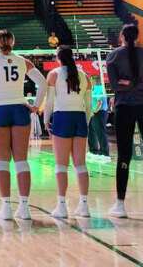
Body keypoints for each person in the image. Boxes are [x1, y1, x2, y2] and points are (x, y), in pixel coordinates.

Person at [0, 29, 44, 222]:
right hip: (20, 110)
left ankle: (5, 208)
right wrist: (36, 106)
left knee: (2, 161)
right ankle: (24, 208)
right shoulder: (23, 61)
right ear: (13, 42)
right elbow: (43, 83)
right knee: (21, 161)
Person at [105, 23, 143, 219]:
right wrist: (142, 83)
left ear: (122, 36)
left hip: (124, 108)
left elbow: (116, 85)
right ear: (137, 36)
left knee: (124, 155)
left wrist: (128, 84)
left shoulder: (113, 56)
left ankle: (121, 205)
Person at [42, 46, 92, 219]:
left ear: (58, 58)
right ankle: (84, 206)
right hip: (79, 118)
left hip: (62, 117)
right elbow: (89, 106)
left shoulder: (54, 74)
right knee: (81, 165)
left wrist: (45, 120)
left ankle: (62, 206)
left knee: (60, 165)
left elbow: (49, 102)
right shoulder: (85, 76)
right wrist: (85, 122)